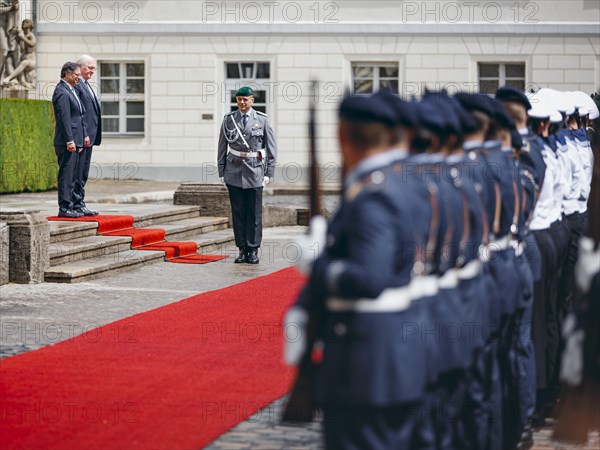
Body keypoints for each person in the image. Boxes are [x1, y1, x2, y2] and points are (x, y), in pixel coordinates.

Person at [217, 86, 277, 264]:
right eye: (239, 100)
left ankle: (253, 249)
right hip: (233, 171)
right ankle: (242, 249)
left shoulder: (262, 120)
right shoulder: (229, 119)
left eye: (245, 99)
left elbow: (271, 148)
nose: (242, 103)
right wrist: (222, 170)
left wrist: (268, 173)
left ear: (252, 101)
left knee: (254, 213)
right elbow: (222, 146)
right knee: (238, 213)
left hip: (254, 171)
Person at [52, 61, 88, 218]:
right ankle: (65, 208)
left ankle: (73, 206)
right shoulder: (62, 91)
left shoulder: (72, 90)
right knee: (66, 175)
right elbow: (64, 118)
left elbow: (79, 116)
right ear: (67, 74)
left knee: (74, 176)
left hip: (76, 140)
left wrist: (80, 138)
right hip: (67, 141)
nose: (79, 78)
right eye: (76, 75)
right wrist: (70, 140)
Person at [73, 55, 101, 216]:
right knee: (78, 172)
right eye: (89, 67)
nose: (92, 71)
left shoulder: (87, 85)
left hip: (89, 136)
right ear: (80, 67)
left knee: (83, 173)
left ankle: (80, 203)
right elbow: (79, 114)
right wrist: (83, 134)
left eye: (93, 68)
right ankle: (77, 204)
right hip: (83, 137)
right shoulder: (77, 85)